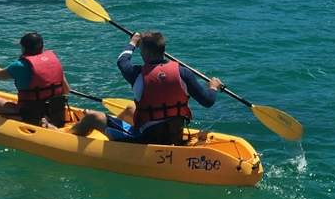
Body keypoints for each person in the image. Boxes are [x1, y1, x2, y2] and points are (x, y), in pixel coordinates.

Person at [72, 30, 222, 145]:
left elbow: (122, 61)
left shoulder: (137, 74)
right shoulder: (183, 73)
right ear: (163, 50)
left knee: (92, 117)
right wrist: (213, 87)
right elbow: (208, 101)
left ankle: (68, 137)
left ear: (143, 52)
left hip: (144, 140)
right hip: (174, 136)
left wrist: (132, 43)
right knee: (131, 109)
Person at [0, 32, 71, 127]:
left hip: (31, 116)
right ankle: (46, 120)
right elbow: (66, 90)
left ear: (23, 48)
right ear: (42, 47)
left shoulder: (19, 65)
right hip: (56, 113)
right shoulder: (54, 62)